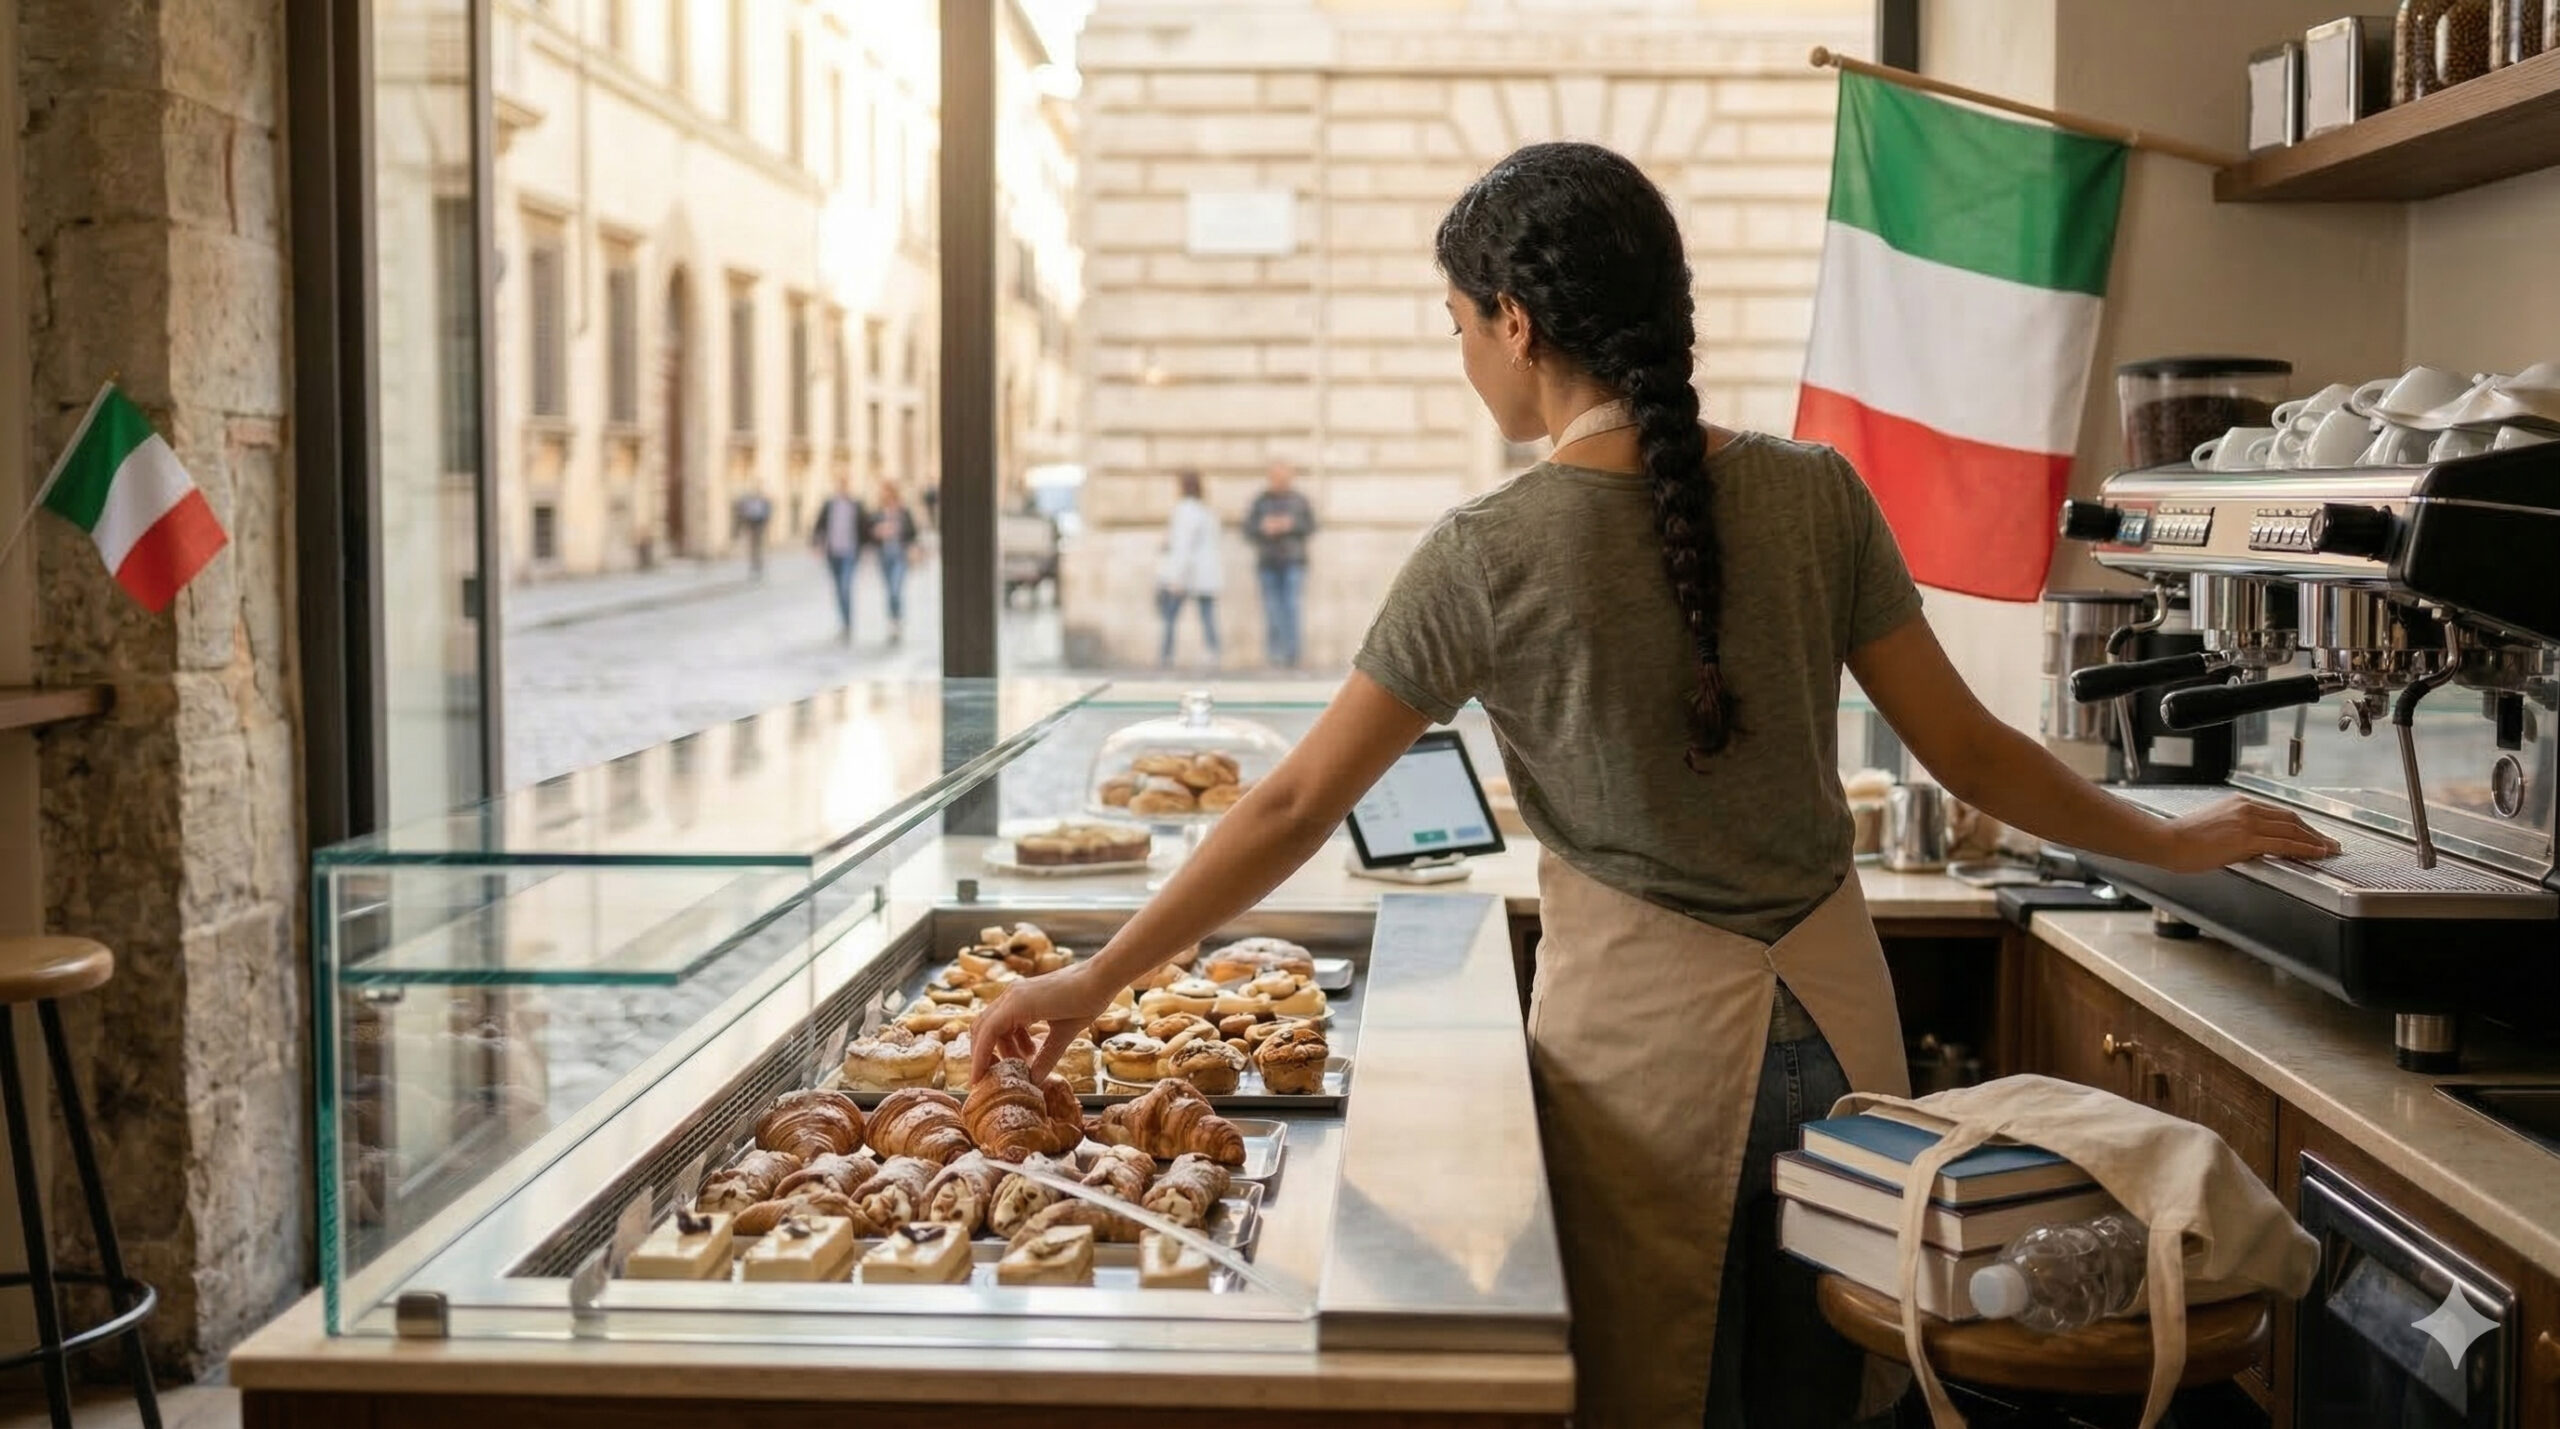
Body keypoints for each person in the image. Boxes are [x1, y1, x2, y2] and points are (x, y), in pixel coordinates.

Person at [972, 142, 2336, 1429]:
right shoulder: (1819, 494)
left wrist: (1091, 982)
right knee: (1835, 1390)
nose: (1460, 357)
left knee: (1663, 1392)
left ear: (1516, 322)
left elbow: (1287, 807)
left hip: (1641, 1064)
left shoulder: (1484, 551)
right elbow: (1970, 749)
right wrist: (2172, 835)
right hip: (1845, 1037)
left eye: (1455, 323)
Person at [1245, 460, 1317, 669]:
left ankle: (1292, 654)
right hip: (1268, 562)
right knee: (1271, 609)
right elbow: (1248, 529)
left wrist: (1290, 525)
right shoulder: (1260, 501)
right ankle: (1274, 654)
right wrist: (1263, 527)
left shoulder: (1299, 500)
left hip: (1293, 561)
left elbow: (1310, 525)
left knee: (1291, 608)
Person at [1155, 469, 1223, 668]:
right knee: (1206, 615)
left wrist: (1176, 577)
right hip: (1204, 573)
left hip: (1187, 573)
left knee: (1170, 617)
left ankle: (1166, 655)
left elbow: (1183, 546)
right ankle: (1213, 651)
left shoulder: (1185, 511)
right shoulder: (1206, 511)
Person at [810, 478, 864, 645]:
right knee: (838, 589)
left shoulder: (856, 505)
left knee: (845, 587)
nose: (842, 488)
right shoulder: (829, 505)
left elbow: (865, 527)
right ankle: (843, 624)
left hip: (850, 553)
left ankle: (847, 624)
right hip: (833, 553)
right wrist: (817, 545)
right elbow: (819, 525)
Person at [869, 481, 920, 647]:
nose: (885, 495)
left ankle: (897, 621)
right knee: (889, 591)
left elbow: (913, 532)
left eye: (887, 491)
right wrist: (878, 531)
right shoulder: (878, 512)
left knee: (895, 589)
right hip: (884, 557)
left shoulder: (903, 511)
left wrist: (910, 545)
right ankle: (892, 622)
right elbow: (868, 531)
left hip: (900, 557)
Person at [732, 486, 773, 579]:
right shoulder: (749, 503)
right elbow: (743, 514)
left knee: (758, 546)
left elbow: (766, 513)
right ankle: (754, 562)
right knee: (752, 546)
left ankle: (758, 562)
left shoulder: (762, 502)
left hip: (759, 525)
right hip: (751, 525)